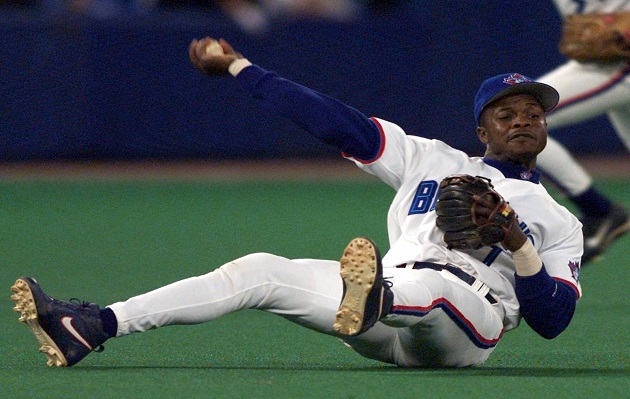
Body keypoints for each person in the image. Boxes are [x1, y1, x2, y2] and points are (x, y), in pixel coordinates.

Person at [10, 37, 583, 368]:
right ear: (481, 129)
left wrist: (517, 244)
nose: (523, 121)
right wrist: (240, 67)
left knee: (432, 288)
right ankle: (94, 324)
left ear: (546, 128)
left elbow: (553, 321)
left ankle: (375, 297)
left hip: (467, 324)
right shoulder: (429, 159)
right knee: (260, 270)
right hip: (381, 312)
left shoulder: (558, 221)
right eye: (506, 114)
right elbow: (331, 120)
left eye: (534, 113)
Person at [534, 0, 630, 263]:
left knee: (521, 115)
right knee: (517, 114)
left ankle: (600, 212)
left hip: (619, 64)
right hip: (603, 62)